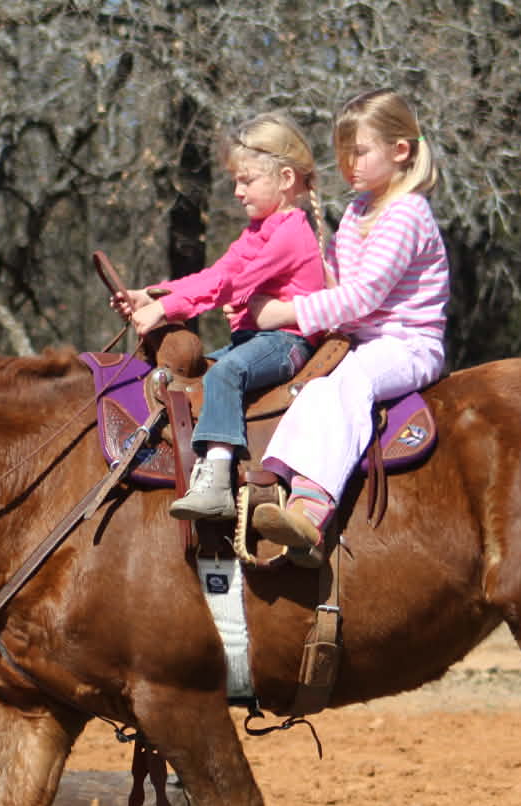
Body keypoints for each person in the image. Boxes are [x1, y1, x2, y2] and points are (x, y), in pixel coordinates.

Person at [246, 88, 448, 559]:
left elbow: (362, 297)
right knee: (311, 387)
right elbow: (334, 281)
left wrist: (285, 312)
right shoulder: (358, 211)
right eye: (342, 153)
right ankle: (276, 481)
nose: (347, 164)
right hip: (362, 340)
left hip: (407, 344)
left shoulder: (407, 212)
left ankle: (313, 507)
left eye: (358, 151)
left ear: (401, 151)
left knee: (351, 381)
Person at [110, 114, 330, 520]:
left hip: (287, 342)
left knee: (224, 374)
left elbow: (231, 285)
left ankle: (215, 483)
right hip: (255, 340)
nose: (237, 191)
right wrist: (152, 294)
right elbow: (214, 275)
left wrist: (165, 310)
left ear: (285, 178)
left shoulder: (290, 234)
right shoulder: (257, 232)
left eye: (246, 180)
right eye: (235, 181)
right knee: (198, 375)